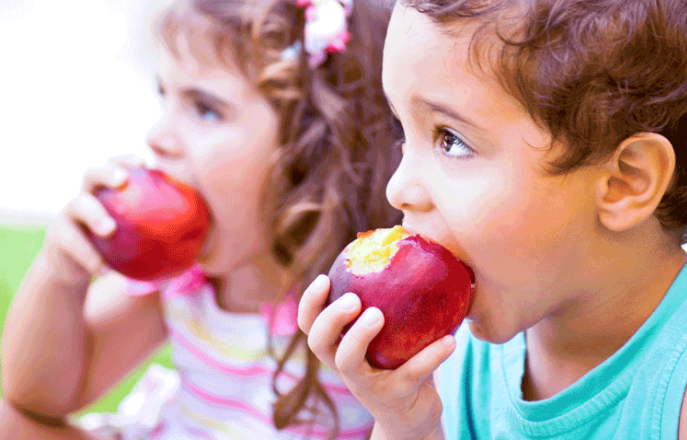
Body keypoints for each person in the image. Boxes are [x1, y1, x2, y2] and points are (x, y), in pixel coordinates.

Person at [297, 0, 687, 438]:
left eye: (451, 140)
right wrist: (406, 425)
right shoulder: (455, 358)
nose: (398, 188)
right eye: (401, 131)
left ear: (624, 182)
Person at [0, 0, 401, 438]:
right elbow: (36, 398)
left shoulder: (363, 308)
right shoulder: (183, 275)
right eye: (164, 97)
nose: (157, 137)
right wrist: (60, 275)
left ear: (314, 151)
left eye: (205, 109)